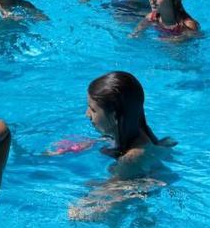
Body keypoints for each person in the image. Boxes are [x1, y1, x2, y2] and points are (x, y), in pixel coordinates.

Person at [69, 71, 176, 220]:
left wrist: (81, 209)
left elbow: (112, 192)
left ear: (114, 117)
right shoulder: (137, 130)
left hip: (145, 204)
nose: (87, 114)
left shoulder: (132, 158)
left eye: (93, 109)